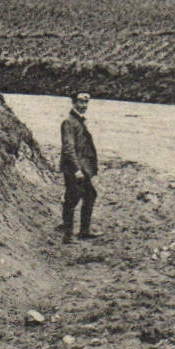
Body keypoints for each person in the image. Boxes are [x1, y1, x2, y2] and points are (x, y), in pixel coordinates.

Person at [59, 92, 99, 243]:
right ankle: (68, 236)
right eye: (80, 103)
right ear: (73, 103)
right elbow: (68, 149)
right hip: (73, 169)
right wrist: (77, 170)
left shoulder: (79, 121)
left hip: (81, 168)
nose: (83, 106)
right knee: (72, 199)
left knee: (90, 195)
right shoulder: (69, 122)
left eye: (86, 103)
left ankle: (84, 231)